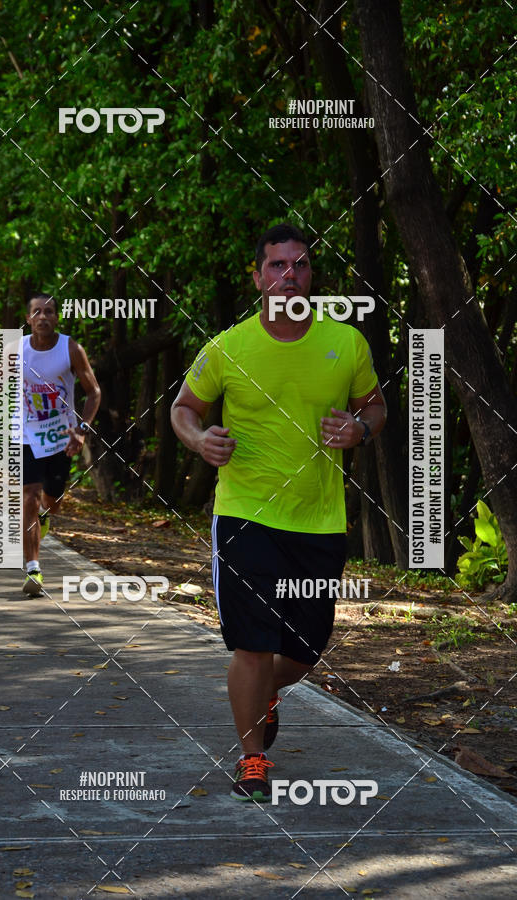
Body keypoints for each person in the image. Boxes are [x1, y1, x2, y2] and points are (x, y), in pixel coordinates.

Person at [171, 224, 386, 802]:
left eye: (300, 265)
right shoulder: (228, 347)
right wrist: (198, 441)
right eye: (276, 266)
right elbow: (184, 408)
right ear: (259, 275)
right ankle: (253, 759)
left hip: (318, 518)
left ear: (311, 276)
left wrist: (359, 428)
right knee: (252, 642)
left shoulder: (347, 344)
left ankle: (266, 692)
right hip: (245, 512)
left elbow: (376, 405)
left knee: (304, 647)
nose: (288, 276)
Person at [0, 294, 101, 596]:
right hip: (25, 434)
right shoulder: (15, 349)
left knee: (52, 500)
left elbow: (93, 392)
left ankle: (45, 514)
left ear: (56, 317)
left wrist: (81, 430)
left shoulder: (70, 348)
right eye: (37, 312)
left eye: (49, 312)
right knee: (28, 495)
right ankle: (33, 570)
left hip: (60, 436)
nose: (43, 317)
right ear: (28, 318)